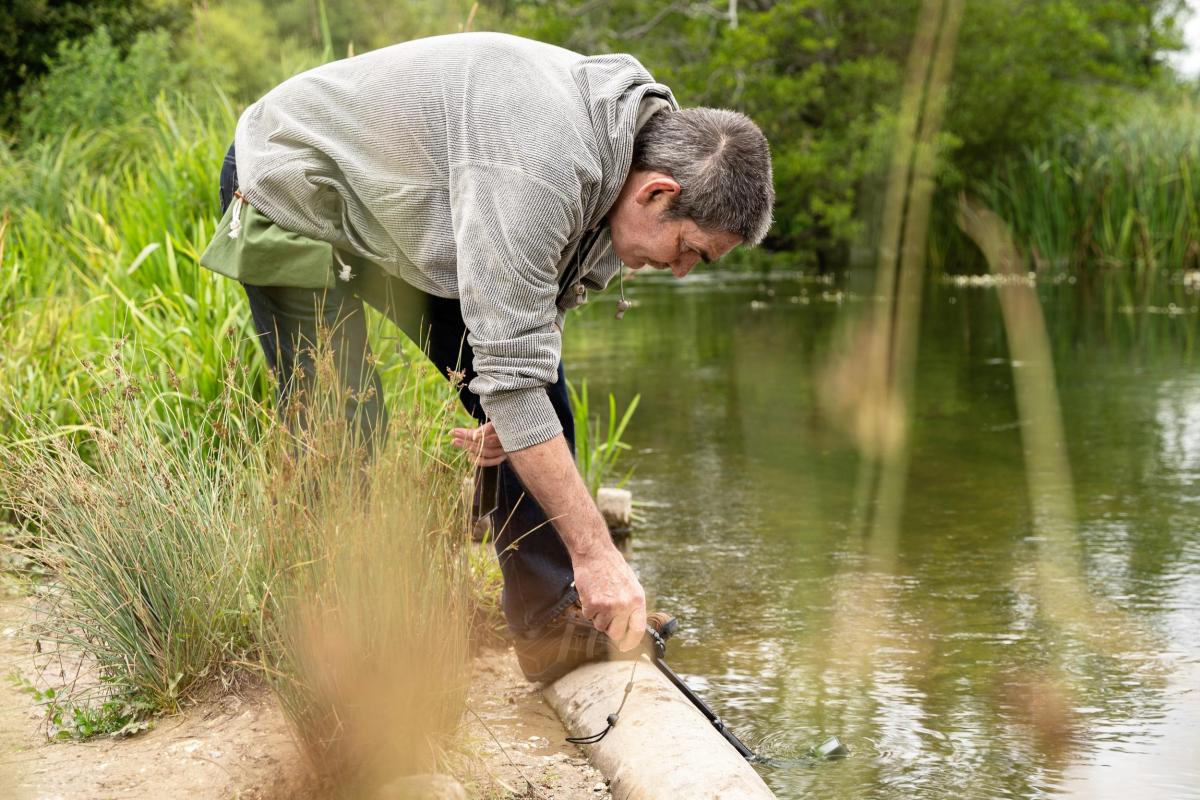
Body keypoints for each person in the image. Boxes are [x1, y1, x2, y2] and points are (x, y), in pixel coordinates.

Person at [199, 31, 774, 683]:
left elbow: (535, 319)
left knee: (540, 402)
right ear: (657, 194)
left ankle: (549, 622)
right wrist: (600, 554)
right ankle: (336, 652)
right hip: (292, 184)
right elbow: (513, 339)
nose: (680, 272)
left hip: (412, 211)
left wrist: (510, 407)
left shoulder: (624, 152)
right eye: (690, 251)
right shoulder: (541, 160)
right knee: (343, 426)